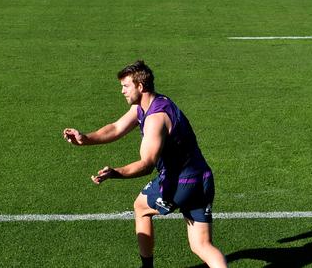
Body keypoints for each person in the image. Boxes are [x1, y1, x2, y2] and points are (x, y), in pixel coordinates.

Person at [63, 61, 227, 268]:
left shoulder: (155, 119)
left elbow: (147, 164)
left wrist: (116, 173)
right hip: (202, 178)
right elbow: (116, 128)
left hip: (180, 182)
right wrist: (85, 138)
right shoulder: (153, 104)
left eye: (126, 86)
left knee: (140, 207)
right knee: (202, 245)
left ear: (140, 87)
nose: (122, 91)